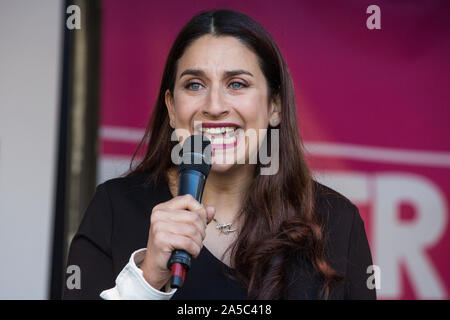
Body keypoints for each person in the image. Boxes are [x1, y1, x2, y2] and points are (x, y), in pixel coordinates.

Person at [63, 9, 376, 300]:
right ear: (172, 108)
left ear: (274, 107)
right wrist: (146, 280)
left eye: (237, 84)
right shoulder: (115, 208)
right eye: (195, 85)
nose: (214, 106)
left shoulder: (336, 221)